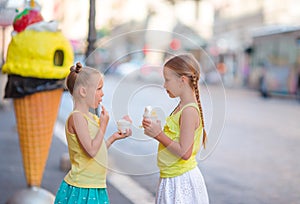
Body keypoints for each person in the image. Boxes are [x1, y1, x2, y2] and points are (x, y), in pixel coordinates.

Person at [54, 62, 132, 204]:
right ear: (83, 91)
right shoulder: (77, 117)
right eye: (99, 89)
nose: (102, 94)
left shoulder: (91, 117)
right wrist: (103, 126)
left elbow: (97, 150)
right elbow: (91, 151)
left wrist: (114, 137)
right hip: (82, 187)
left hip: (94, 186)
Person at [142, 53, 209, 203]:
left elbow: (185, 153)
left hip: (180, 179)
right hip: (171, 176)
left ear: (182, 81)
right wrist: (157, 129)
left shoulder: (189, 111)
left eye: (167, 80)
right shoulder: (181, 106)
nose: (164, 85)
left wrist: (158, 134)